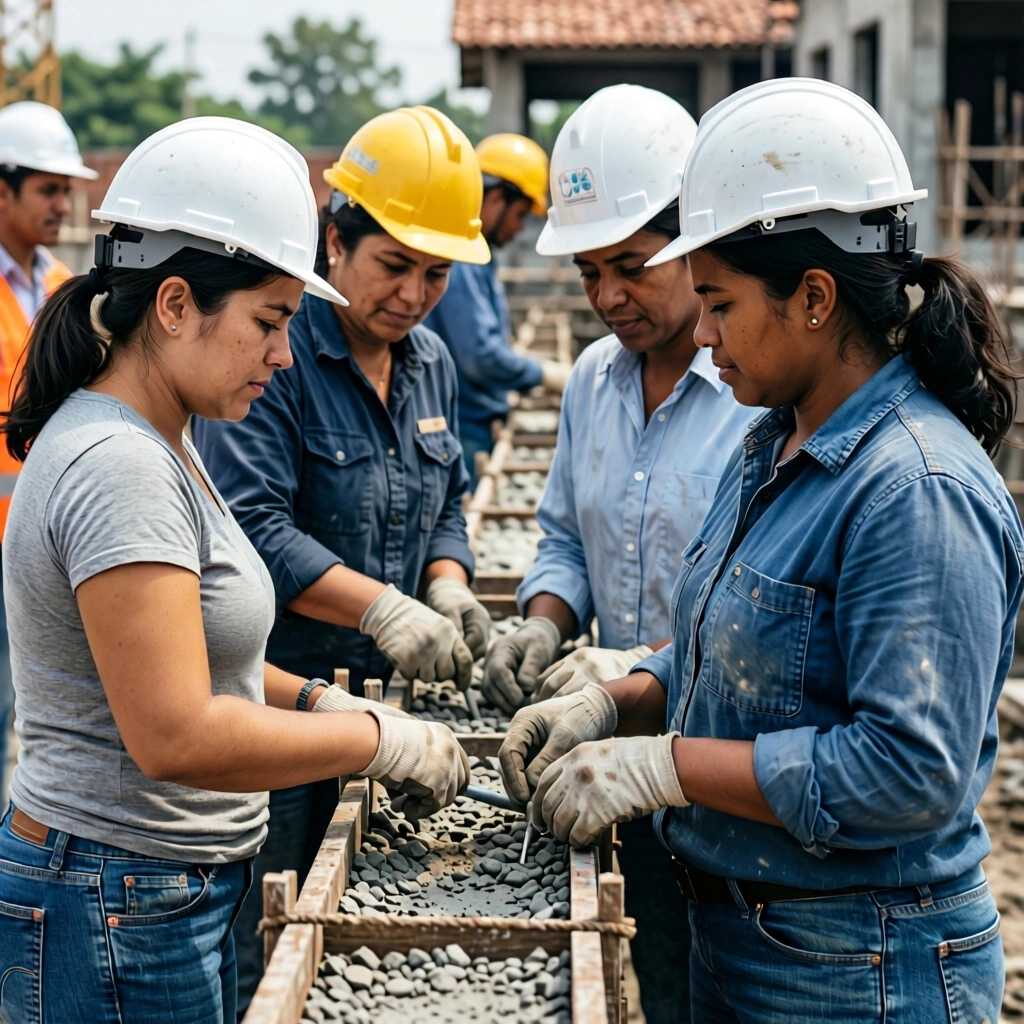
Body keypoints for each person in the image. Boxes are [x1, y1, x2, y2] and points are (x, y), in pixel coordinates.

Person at [500, 78, 1023, 1023]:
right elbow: (743, 654)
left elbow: (908, 770)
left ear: (815, 297)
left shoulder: (914, 488)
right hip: (750, 938)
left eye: (721, 304)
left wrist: (663, 767)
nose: (702, 334)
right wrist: (611, 703)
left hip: (859, 963)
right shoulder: (772, 442)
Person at [0, 116, 469, 1024]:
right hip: (113, 893)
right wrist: (378, 741)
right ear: (174, 305)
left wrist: (315, 702)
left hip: (147, 889)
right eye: (268, 322)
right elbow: (177, 735)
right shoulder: (120, 465)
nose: (284, 354)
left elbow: (202, 661)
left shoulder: (163, 435)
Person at [192, 105, 493, 1014]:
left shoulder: (432, 362)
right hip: (280, 698)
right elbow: (253, 527)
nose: (413, 294)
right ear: (336, 239)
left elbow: (448, 503)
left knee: (366, 925)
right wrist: (382, 609)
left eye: (436, 273)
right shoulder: (276, 355)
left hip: (389, 703)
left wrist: (447, 582)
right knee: (269, 936)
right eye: (393, 265)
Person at [479, 84, 755, 1024]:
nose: (607, 297)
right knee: (649, 980)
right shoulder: (595, 382)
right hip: (607, 765)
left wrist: (632, 672)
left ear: (692, 242)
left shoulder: (758, 398)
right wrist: (544, 621)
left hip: (728, 775)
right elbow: (565, 535)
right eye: (590, 270)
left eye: (631, 266)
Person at [0, 101, 96, 797]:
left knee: (43, 720)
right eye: (47, 189)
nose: (63, 203)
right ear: (2, 189)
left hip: (45, 544)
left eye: (68, 189)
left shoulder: (62, 290)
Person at [424, 133, 568, 482]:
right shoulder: (462, 260)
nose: (520, 228)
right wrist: (544, 375)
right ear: (496, 198)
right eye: (519, 213)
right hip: (459, 426)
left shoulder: (478, 256)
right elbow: (481, 356)